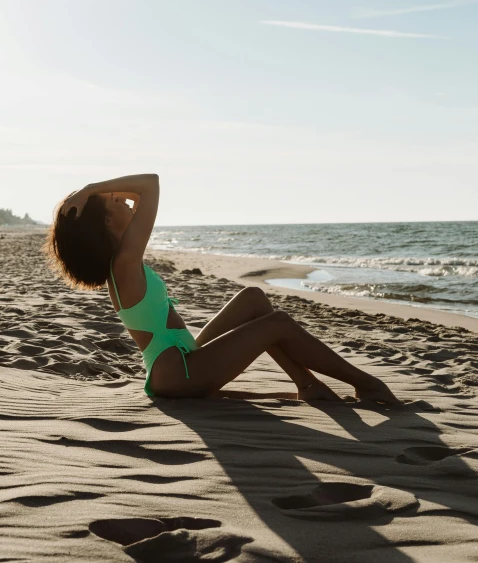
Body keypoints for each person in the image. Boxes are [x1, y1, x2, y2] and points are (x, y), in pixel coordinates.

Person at [45, 173, 400, 405]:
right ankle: (366, 384)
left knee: (253, 298)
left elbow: (140, 195)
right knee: (276, 324)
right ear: (108, 221)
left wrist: (95, 194)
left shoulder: (122, 262)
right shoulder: (124, 262)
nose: (124, 201)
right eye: (115, 202)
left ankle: (308, 385)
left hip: (183, 361)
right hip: (181, 373)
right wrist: (91, 190)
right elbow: (150, 185)